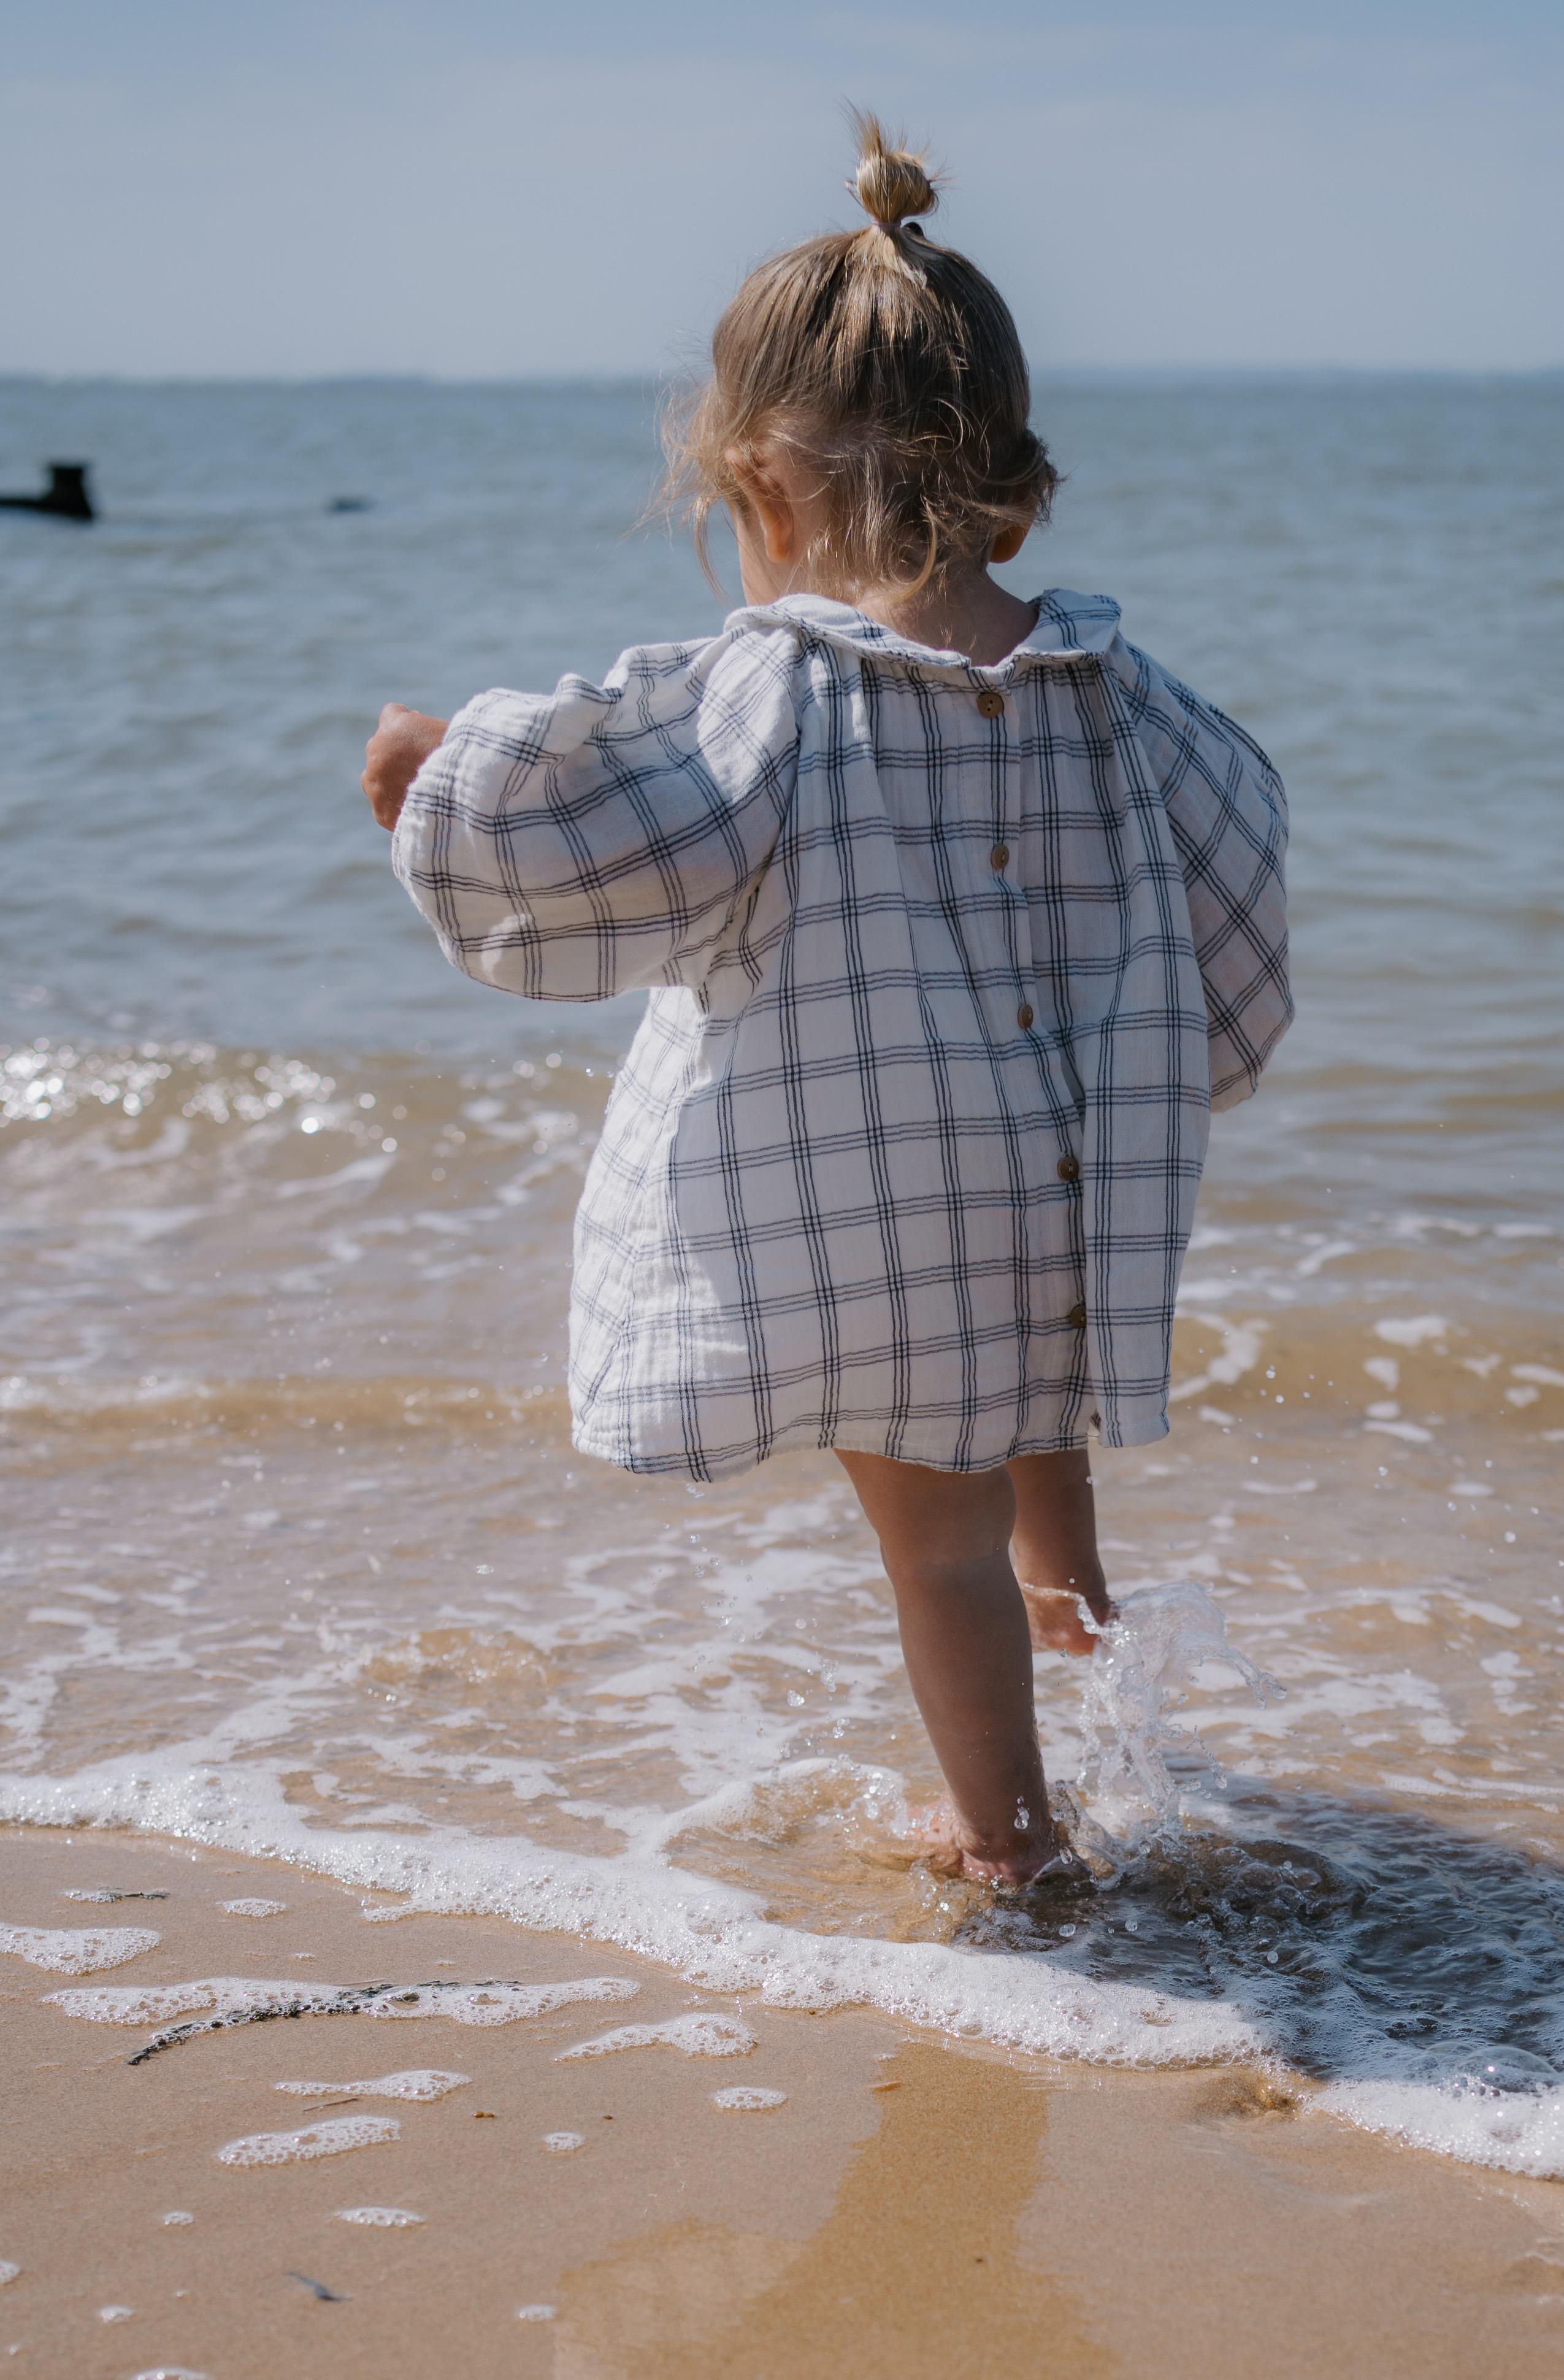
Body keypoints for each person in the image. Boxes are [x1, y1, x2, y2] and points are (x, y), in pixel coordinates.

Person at [362, 115, 1291, 1888]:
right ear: (1011, 477)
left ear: (760, 492)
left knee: (927, 1540)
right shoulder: (1119, 687)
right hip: (1063, 1169)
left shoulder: (770, 694)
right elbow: (1238, 862)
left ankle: (1014, 1848)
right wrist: (1195, 1061)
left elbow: (583, 835)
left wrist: (434, 782)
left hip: (876, 1192)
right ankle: (1086, 1623)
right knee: (1029, 1406)